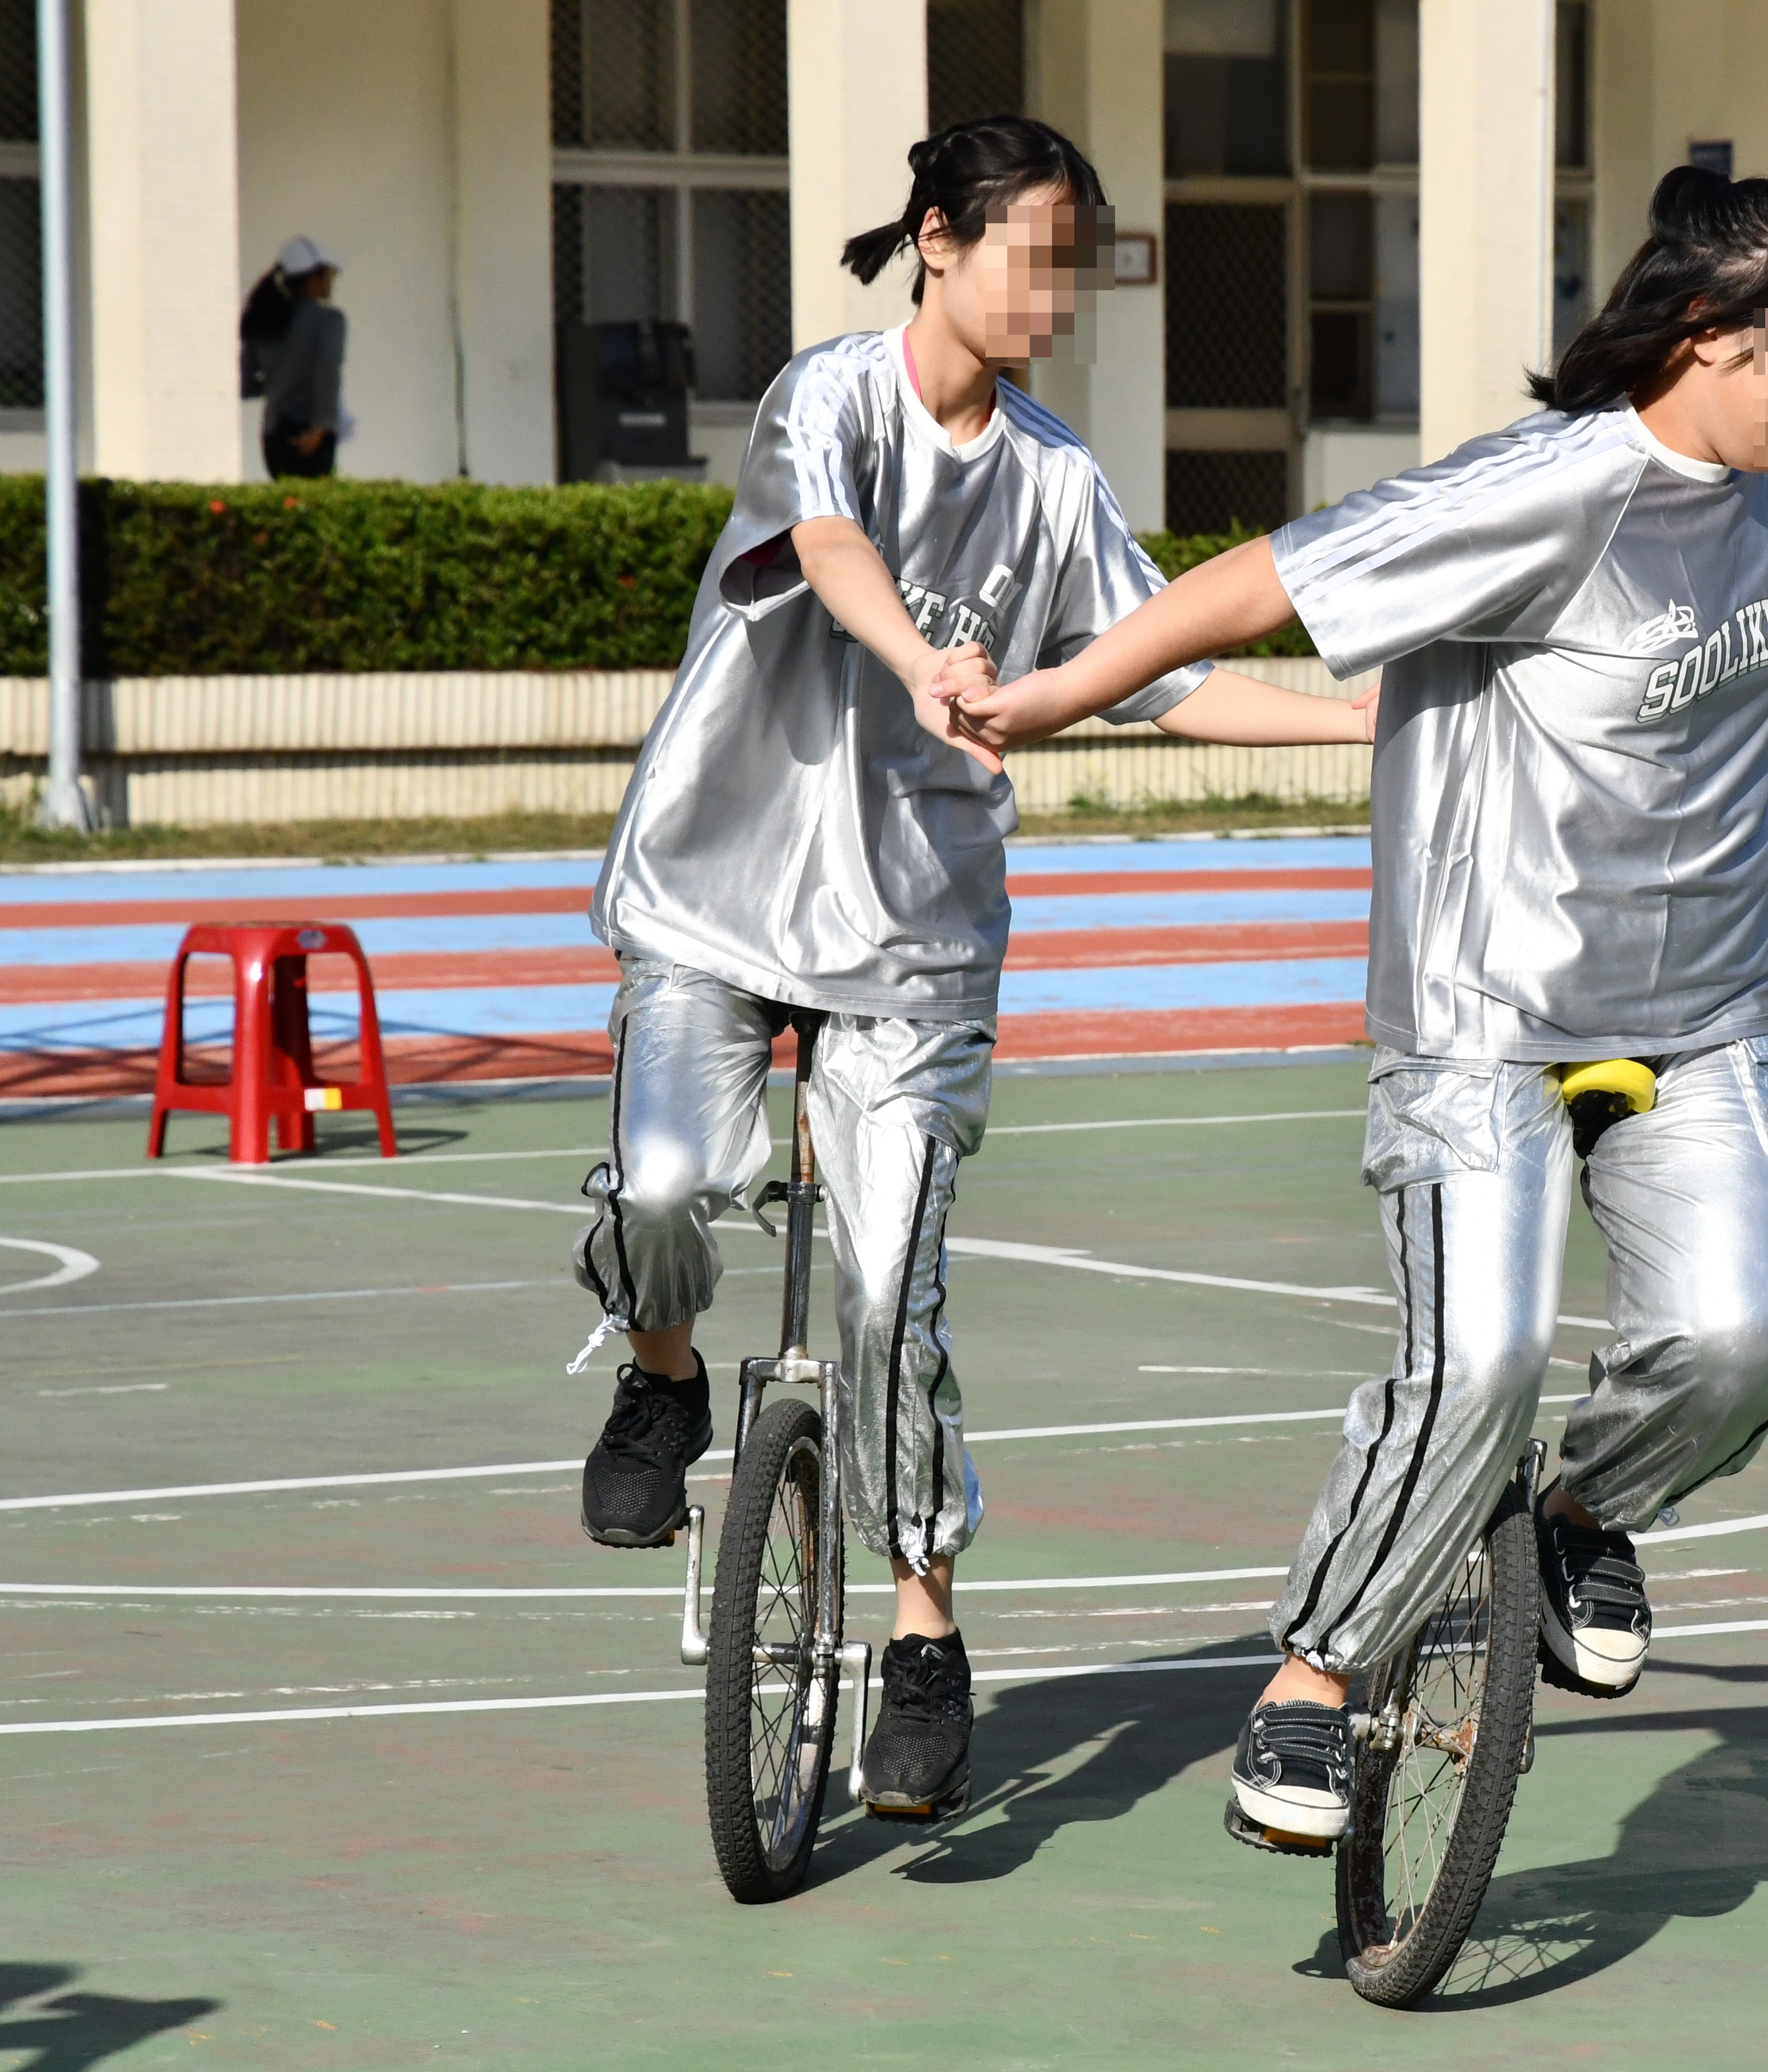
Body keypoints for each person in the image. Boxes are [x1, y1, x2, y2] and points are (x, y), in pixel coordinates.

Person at [941, 164, 1768, 1852]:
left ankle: (1581, 1505)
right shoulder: (1551, 485)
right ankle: (1312, 1677)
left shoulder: (1752, 499)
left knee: (1739, 1343)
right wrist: (1065, 691)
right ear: (1720, 338)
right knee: (1481, 1358)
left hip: (1700, 1007)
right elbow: (1268, 580)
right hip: (1486, 1003)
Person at [567, 114, 1371, 1822]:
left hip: (913, 941)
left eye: (1076, 265)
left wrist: (1354, 720)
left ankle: (922, 1627)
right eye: (1033, 253)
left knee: (885, 1299)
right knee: (661, 1185)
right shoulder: (827, 398)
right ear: (937, 237)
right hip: (721, 890)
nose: (1057, 293)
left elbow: (1151, 674)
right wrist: (923, 660)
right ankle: (661, 1374)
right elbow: (836, 549)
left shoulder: (1059, 480)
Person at [252, 236, 348, 481]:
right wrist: (322, 426)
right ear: (313, 278)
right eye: (327, 275)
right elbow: (328, 373)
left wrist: (278, 383)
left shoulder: (264, 322)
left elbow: (246, 383)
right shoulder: (329, 321)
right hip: (309, 434)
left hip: (272, 435)